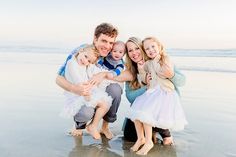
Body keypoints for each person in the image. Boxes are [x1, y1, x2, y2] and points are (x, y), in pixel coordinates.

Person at [114, 37, 186, 147]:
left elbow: (182, 81)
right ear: (127, 54)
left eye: (137, 48)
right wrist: (146, 87)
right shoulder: (131, 71)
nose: (134, 53)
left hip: (163, 105)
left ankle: (164, 133)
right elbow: (130, 97)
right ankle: (149, 133)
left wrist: (172, 75)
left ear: (142, 49)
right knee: (130, 135)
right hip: (141, 108)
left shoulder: (159, 61)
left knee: (154, 110)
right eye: (130, 50)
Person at [56, 23, 122, 139]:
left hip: (99, 90)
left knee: (115, 90)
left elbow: (127, 73)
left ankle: (104, 127)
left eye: (111, 43)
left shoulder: (113, 54)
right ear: (95, 39)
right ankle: (80, 125)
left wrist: (104, 74)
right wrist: (75, 88)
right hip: (84, 91)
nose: (107, 46)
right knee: (86, 111)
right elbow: (58, 78)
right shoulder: (83, 51)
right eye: (104, 41)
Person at [60, 44, 114, 139]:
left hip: (85, 92)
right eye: (85, 56)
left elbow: (94, 71)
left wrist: (103, 74)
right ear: (80, 51)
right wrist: (89, 93)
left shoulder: (85, 65)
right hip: (77, 95)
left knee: (106, 104)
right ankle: (89, 126)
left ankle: (93, 125)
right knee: (103, 104)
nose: (85, 61)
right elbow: (79, 82)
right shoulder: (72, 63)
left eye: (88, 60)